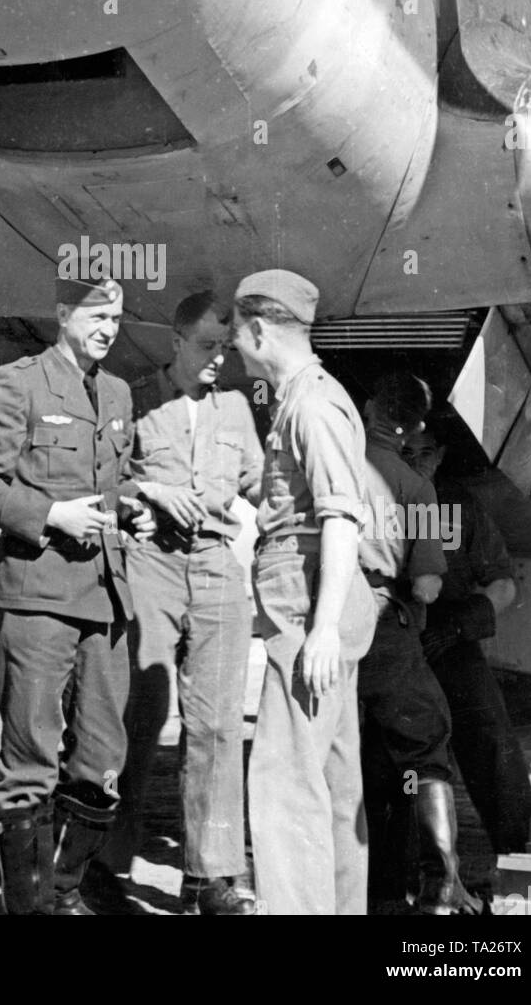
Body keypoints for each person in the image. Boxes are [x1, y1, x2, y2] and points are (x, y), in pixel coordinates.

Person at [0, 276, 153, 916]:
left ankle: (64, 891)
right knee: (30, 764)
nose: (108, 327)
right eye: (97, 313)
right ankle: (34, 909)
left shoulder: (119, 391)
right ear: (63, 312)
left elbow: (113, 485)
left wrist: (132, 512)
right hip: (37, 597)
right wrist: (51, 516)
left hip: (105, 601)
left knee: (102, 762)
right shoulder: (18, 382)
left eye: (117, 318)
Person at [95, 292, 262, 915]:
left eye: (225, 348)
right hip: (153, 563)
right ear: (175, 339)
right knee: (138, 715)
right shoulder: (132, 397)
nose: (218, 359)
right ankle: (105, 866)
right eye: (206, 346)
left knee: (217, 728)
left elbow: (260, 486)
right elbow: (101, 479)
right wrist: (154, 492)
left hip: (218, 568)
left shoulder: (239, 410)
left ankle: (209, 878)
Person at [231, 269, 376, 916]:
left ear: (260, 329)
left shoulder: (313, 404)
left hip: (309, 611)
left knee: (286, 785)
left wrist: (319, 630)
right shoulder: (301, 399)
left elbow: (342, 519)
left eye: (237, 333)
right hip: (318, 607)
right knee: (334, 789)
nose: (234, 347)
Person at [357, 373, 478, 915]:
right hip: (387, 627)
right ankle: (439, 888)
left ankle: (364, 890)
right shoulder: (416, 486)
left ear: (368, 408)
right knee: (424, 747)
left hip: (324, 626)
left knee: (354, 761)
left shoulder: (331, 465)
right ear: (417, 428)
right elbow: (428, 582)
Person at [403, 415, 531, 857]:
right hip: (393, 641)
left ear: (440, 456)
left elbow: (503, 581)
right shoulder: (373, 501)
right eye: (405, 454)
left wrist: (460, 623)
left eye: (426, 454)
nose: (416, 463)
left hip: (451, 637)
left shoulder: (459, 507)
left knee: (492, 739)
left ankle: (519, 853)